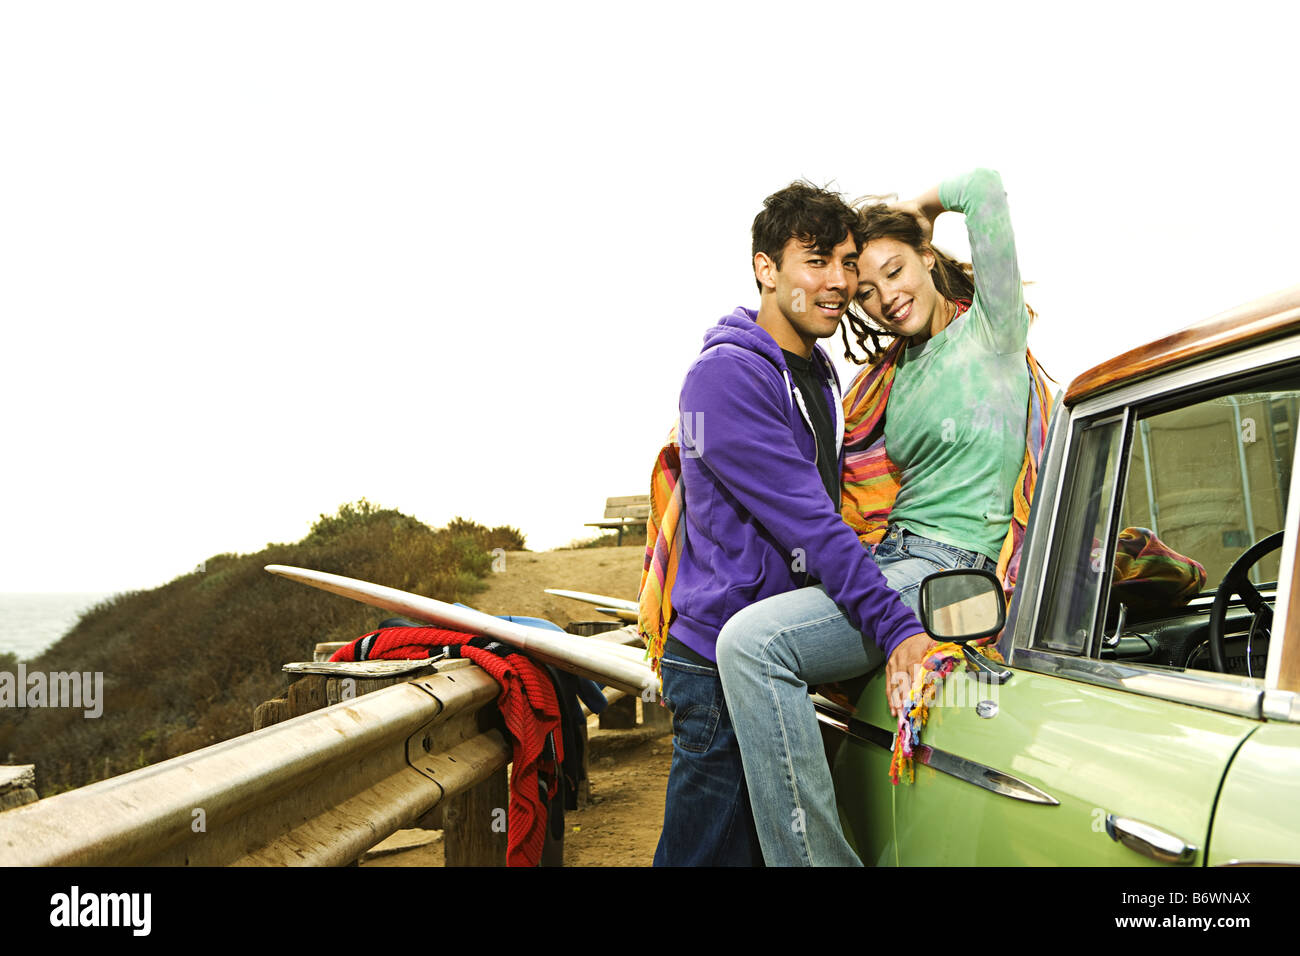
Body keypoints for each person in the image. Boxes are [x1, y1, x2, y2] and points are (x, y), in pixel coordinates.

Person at [715, 168, 1051, 865]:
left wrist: (917, 209)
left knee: (753, 645)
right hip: (887, 560)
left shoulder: (992, 332)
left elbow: (985, 188)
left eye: (895, 271)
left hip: (945, 571)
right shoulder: (891, 375)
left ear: (928, 257)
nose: (884, 298)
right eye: (863, 291)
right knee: (737, 631)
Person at [647, 182, 930, 867]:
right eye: (815, 262)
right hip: (719, 659)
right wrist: (897, 629)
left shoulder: (818, 371)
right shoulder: (724, 380)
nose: (838, 281)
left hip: (770, 652)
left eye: (845, 262)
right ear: (766, 269)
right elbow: (812, 525)